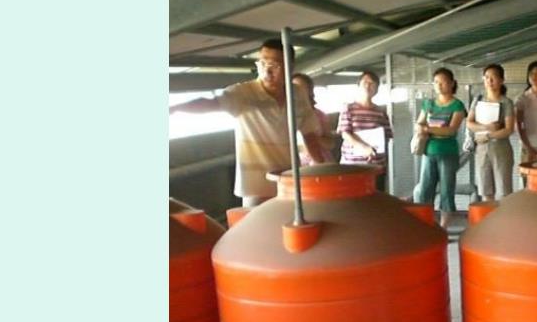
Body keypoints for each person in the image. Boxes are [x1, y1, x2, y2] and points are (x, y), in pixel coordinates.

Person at [169, 39, 325, 207]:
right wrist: (175, 108)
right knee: (256, 222)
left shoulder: (298, 94)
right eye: (262, 63)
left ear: (290, 66)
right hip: (255, 185)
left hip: (289, 181)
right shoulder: (243, 93)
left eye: (274, 65)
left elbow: (309, 134)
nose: (267, 71)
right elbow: (210, 103)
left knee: (293, 220)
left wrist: (322, 167)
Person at [412, 67, 466, 228]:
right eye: (436, 82)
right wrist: (422, 128)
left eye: (442, 82)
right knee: (425, 189)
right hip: (429, 151)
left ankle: (443, 228)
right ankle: (427, 226)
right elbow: (419, 123)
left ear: (451, 83)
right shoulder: (428, 104)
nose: (439, 85)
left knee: (446, 191)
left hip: (448, 152)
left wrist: (428, 129)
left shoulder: (457, 105)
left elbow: (451, 130)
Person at [337, 70, 394, 192]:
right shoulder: (348, 108)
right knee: (353, 198)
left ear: (377, 89)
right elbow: (345, 133)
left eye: (372, 83)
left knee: (375, 197)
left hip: (376, 165)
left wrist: (376, 149)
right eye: (365, 83)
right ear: (358, 86)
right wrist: (364, 147)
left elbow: (388, 135)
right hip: (352, 166)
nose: (368, 86)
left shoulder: (380, 111)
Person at [466, 64, 516, 201]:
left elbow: (509, 129)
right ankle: (488, 214)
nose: (489, 81)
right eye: (487, 77)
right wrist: (486, 127)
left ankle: (504, 215)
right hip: (481, 149)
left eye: (493, 77)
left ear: (501, 80)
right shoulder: (478, 100)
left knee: (503, 191)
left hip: (501, 148)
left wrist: (488, 135)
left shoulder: (506, 102)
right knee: (485, 190)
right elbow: (469, 123)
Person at [291, 73, 336, 166]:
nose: (297, 91)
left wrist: (312, 138)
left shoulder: (319, 115)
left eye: (301, 88)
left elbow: (331, 144)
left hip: (321, 164)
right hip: (296, 166)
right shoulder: (283, 116)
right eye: (294, 88)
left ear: (310, 91)